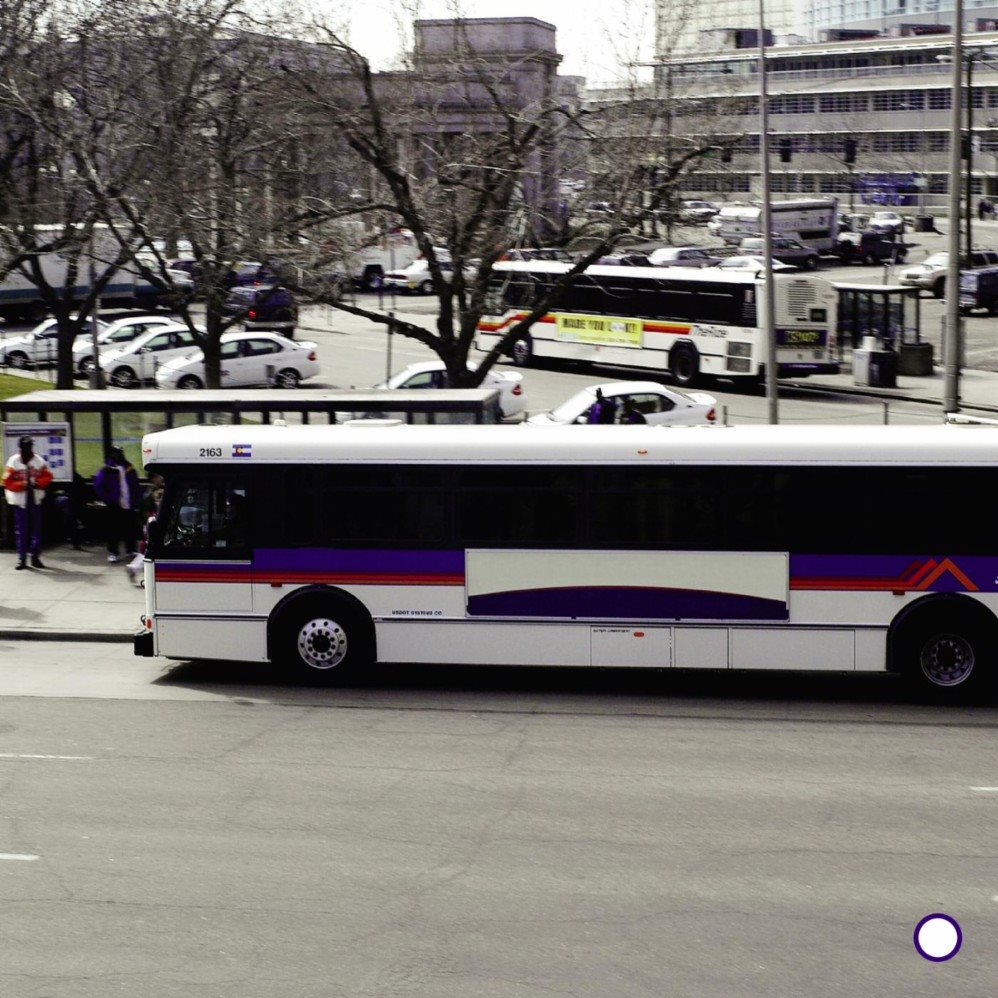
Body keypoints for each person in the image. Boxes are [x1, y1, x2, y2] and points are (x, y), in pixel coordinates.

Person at [2, 435, 53, 570]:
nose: (28, 449)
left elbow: (48, 476)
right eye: (26, 447)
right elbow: (6, 481)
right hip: (20, 502)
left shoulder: (38, 461)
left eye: (30, 446)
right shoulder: (13, 461)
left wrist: (38, 483)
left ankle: (35, 557)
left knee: (36, 530)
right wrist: (21, 484)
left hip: (35, 500)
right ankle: (22, 559)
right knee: (22, 530)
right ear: (21, 448)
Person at [93, 446, 141, 564]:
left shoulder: (129, 467)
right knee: (113, 529)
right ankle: (112, 553)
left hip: (128, 503)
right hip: (114, 504)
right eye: (115, 453)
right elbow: (99, 486)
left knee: (130, 527)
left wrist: (136, 499)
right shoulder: (106, 469)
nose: (118, 455)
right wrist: (109, 499)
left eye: (119, 453)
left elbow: (135, 484)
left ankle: (131, 550)